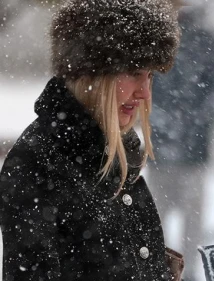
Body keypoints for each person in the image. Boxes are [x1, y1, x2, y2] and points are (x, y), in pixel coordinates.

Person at [0, 0, 185, 280]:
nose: (145, 93)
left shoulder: (117, 151)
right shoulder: (38, 163)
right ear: (92, 72)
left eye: (150, 76)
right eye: (134, 73)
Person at [147, 6, 214, 281]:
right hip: (161, 149)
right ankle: (157, 269)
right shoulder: (155, 40)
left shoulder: (207, 41)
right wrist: (158, 118)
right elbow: (142, 88)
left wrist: (196, 121)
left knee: (188, 219)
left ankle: (188, 273)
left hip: (192, 151)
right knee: (156, 216)